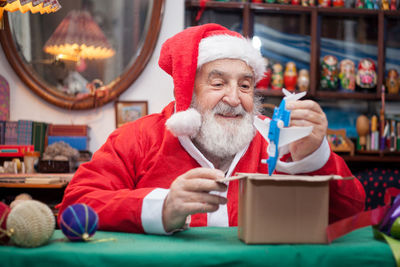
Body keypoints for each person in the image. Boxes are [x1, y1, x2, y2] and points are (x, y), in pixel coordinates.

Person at [58, 23, 365, 234]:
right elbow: (74, 205)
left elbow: (350, 216)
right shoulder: (139, 137)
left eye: (245, 85)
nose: (234, 98)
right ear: (188, 90)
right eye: (218, 83)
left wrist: (313, 158)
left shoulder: (280, 141)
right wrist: (161, 207)